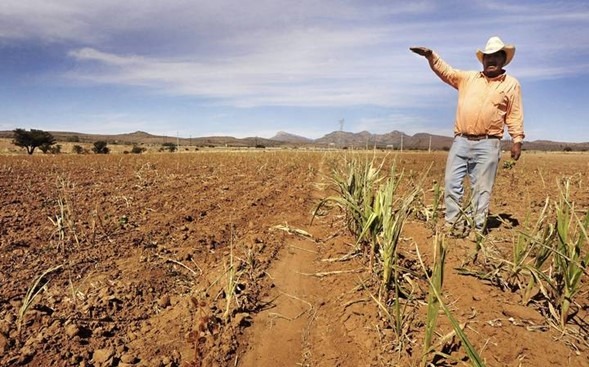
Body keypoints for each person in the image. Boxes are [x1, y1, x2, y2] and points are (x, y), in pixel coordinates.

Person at [410, 36, 525, 238]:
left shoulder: (511, 84)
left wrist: (517, 139)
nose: (491, 60)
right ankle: (453, 225)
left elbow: (514, 113)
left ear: (503, 60)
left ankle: (476, 229)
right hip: (461, 141)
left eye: (496, 56)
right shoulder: (468, 78)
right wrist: (431, 56)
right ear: (483, 60)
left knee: (482, 188)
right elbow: (447, 72)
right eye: (487, 56)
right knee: (452, 183)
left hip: (489, 144)